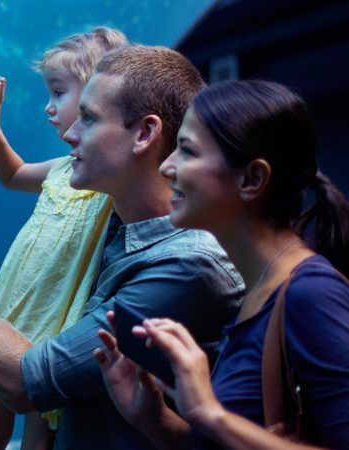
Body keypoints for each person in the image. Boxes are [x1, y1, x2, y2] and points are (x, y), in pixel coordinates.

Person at [0, 45, 244, 449]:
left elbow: (24, 382)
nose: (69, 132)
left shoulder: (186, 266)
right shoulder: (101, 230)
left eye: (87, 118)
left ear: (144, 134)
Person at [94, 80, 349, 449]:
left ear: (252, 179)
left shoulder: (312, 294)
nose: (167, 167)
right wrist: (154, 419)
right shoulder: (257, 294)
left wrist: (212, 414)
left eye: (187, 151)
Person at [0, 27, 127, 450]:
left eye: (58, 92)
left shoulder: (108, 176)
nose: (48, 107)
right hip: (11, 308)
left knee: (40, 438)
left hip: (57, 326)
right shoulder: (61, 168)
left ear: (96, 92)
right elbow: (13, 174)